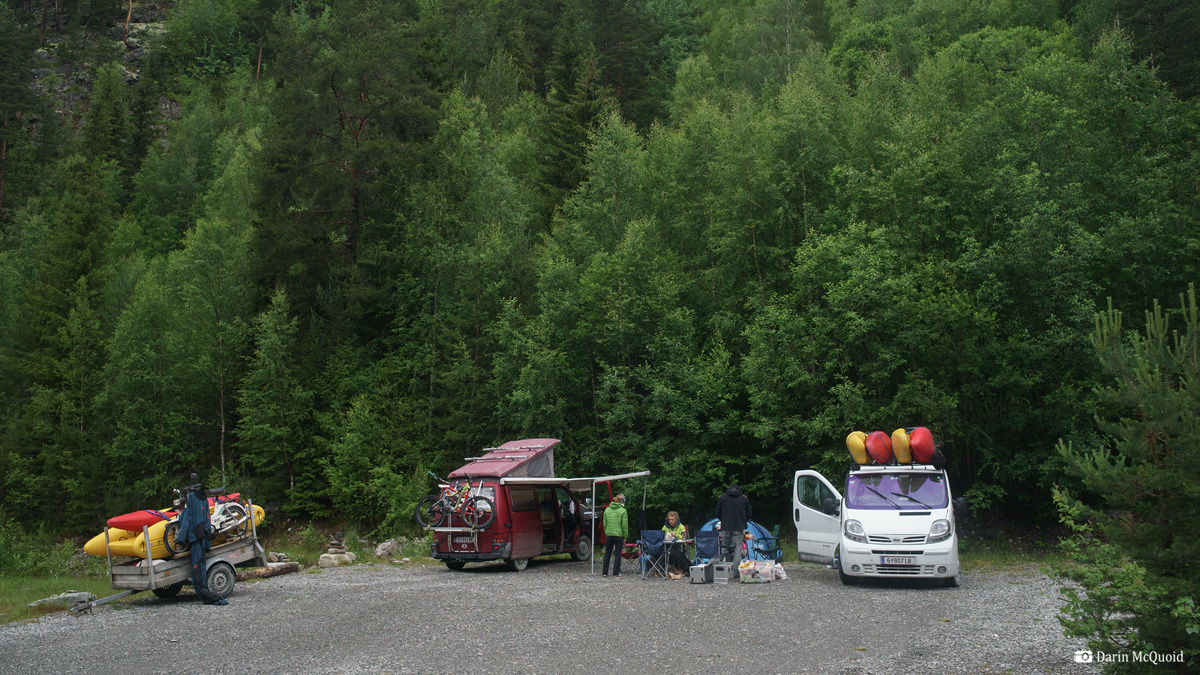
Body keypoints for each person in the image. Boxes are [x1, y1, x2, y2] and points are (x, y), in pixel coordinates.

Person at [175, 476, 228, 605]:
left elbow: (186, 520)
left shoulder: (191, 501)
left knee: (198, 566)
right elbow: (207, 520)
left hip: (196, 539)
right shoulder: (204, 500)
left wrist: (181, 539)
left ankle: (205, 594)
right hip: (203, 538)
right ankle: (206, 593)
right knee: (201, 565)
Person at [714, 483, 752, 565]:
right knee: (737, 549)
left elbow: (717, 512)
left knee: (724, 548)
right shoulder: (743, 499)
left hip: (725, 527)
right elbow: (749, 513)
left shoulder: (723, 498)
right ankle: (735, 571)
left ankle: (726, 569)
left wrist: (723, 520)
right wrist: (743, 521)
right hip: (738, 527)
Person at [601, 493, 628, 577]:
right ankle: (615, 573)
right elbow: (624, 525)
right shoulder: (623, 511)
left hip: (609, 534)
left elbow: (604, 523)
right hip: (618, 535)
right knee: (617, 553)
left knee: (607, 553)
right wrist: (625, 535)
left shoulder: (607, 510)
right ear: (622, 501)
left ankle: (605, 572)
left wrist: (606, 532)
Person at [662, 511, 690, 578]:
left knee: (675, 553)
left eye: (672, 520)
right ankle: (687, 568)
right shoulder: (665, 527)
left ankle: (675, 568)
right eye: (669, 520)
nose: (670, 521)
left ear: (676, 520)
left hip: (679, 545)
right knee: (673, 553)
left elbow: (684, 538)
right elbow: (661, 537)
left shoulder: (681, 527)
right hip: (668, 546)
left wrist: (676, 535)